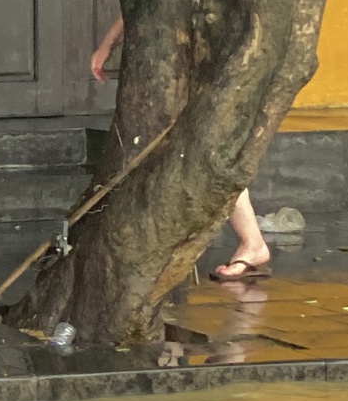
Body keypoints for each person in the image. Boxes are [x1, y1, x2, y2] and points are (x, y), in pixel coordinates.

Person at [90, 15, 272, 287]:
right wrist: (107, 45)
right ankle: (249, 241)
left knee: (214, 155)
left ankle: (252, 242)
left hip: (214, 71)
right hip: (179, 71)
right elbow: (143, 1)